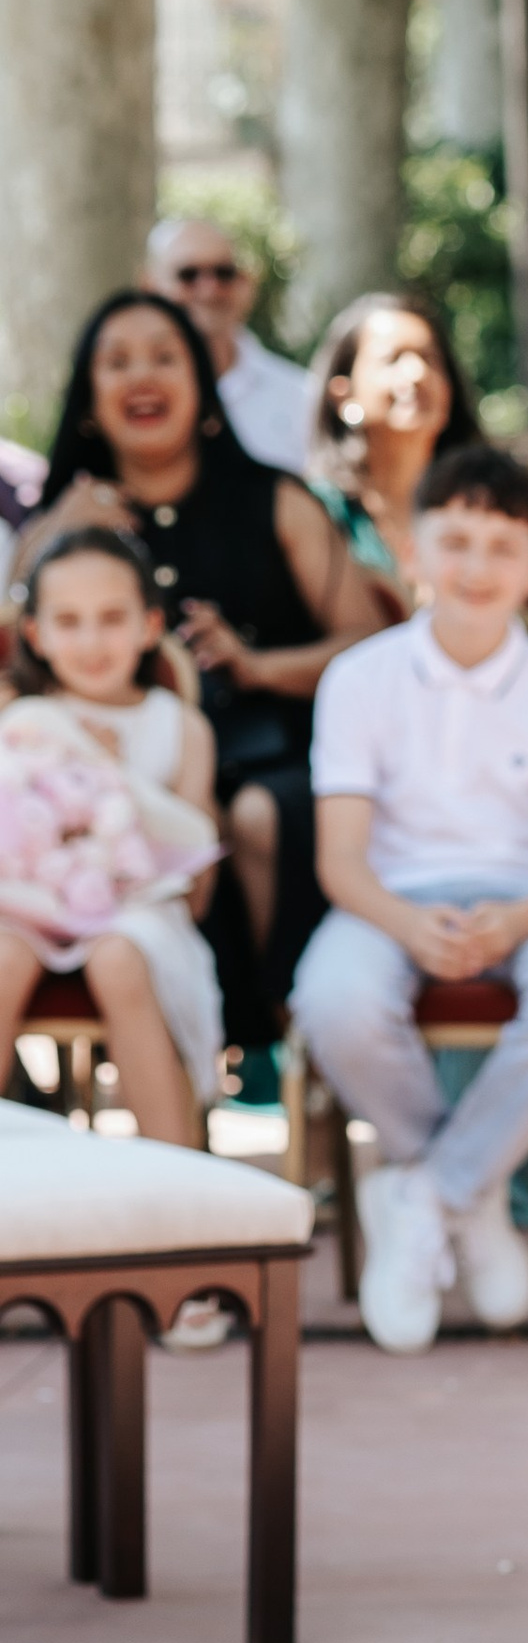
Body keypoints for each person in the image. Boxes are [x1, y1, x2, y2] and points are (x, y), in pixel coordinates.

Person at [292, 444, 528, 1357]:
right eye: (455, 542)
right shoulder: (358, 679)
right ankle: (468, 1192)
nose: (477, 568)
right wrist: (407, 921)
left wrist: (513, 923)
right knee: (333, 998)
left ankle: (427, 1191)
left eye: (501, 546)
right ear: (412, 550)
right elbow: (340, 859)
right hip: (388, 902)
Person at [13, 290, 388, 1038]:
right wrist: (55, 530)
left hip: (274, 754)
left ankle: (276, 1033)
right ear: (89, 397)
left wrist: (259, 665)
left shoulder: (277, 502)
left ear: (203, 385)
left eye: (163, 357)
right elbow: (17, 647)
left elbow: (371, 647)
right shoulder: (63, 517)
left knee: (249, 815)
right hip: (118, 771)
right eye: (116, 362)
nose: (141, 377)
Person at [0, 525, 224, 1148]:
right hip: (31, 908)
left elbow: (197, 884)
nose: (92, 641)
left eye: (111, 618)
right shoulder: (21, 724)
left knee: (118, 957)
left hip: (139, 913)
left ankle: (175, 1175)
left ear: (149, 626)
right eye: (69, 622)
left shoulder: (179, 728)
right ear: (36, 635)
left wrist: (116, 783)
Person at [305, 288, 481, 596]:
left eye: (430, 359)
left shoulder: (484, 502)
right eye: (392, 359)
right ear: (343, 394)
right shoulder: (317, 513)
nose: (416, 374)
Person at [144, 215, 311, 474]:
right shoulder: (130, 397)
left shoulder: (302, 399)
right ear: (150, 286)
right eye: (189, 275)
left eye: (224, 273)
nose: (210, 289)